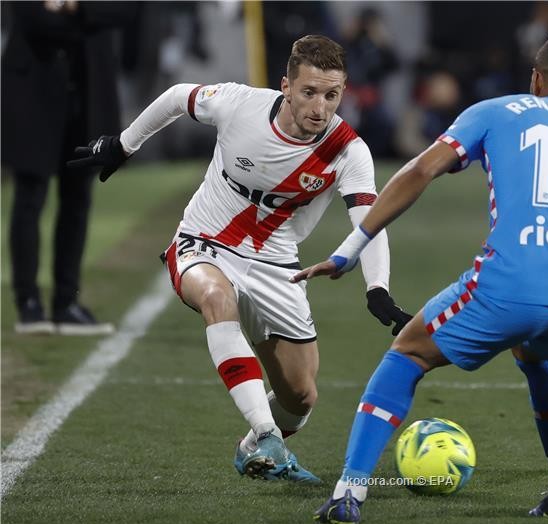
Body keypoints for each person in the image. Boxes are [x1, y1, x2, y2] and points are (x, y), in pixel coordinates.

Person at [293, 32, 548, 524]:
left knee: (409, 351)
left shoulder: (498, 111)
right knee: (538, 354)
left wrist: (352, 249)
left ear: (536, 79)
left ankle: (349, 491)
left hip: (512, 281)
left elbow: (420, 171)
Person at [68, 35, 412, 483]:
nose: (319, 107)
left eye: (332, 95)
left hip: (276, 264)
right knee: (217, 297)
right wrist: (124, 144)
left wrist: (377, 287)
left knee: (301, 396)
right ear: (285, 86)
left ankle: (253, 446)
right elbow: (177, 97)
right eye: (309, 92)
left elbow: (369, 222)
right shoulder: (239, 104)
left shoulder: (348, 151)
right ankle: (266, 433)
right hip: (203, 239)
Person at [1, 1, 134, 335]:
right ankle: (28, 304)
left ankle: (66, 303)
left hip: (87, 90)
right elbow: (30, 15)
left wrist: (72, 6)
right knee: (30, 194)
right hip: (34, 86)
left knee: (78, 197)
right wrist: (86, 20)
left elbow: (125, 9)